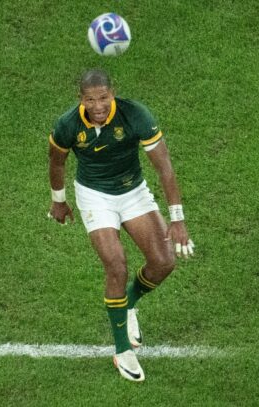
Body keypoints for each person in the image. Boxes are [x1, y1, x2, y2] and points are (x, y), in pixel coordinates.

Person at [47, 69, 194, 382]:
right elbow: (56, 161)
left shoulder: (135, 115)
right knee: (116, 265)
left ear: (113, 94)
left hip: (133, 192)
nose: (97, 105)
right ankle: (122, 350)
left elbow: (165, 168)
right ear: (80, 100)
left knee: (164, 263)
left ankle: (129, 305)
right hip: (94, 196)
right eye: (90, 99)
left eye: (103, 97)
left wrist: (177, 219)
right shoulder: (68, 124)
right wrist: (58, 200)